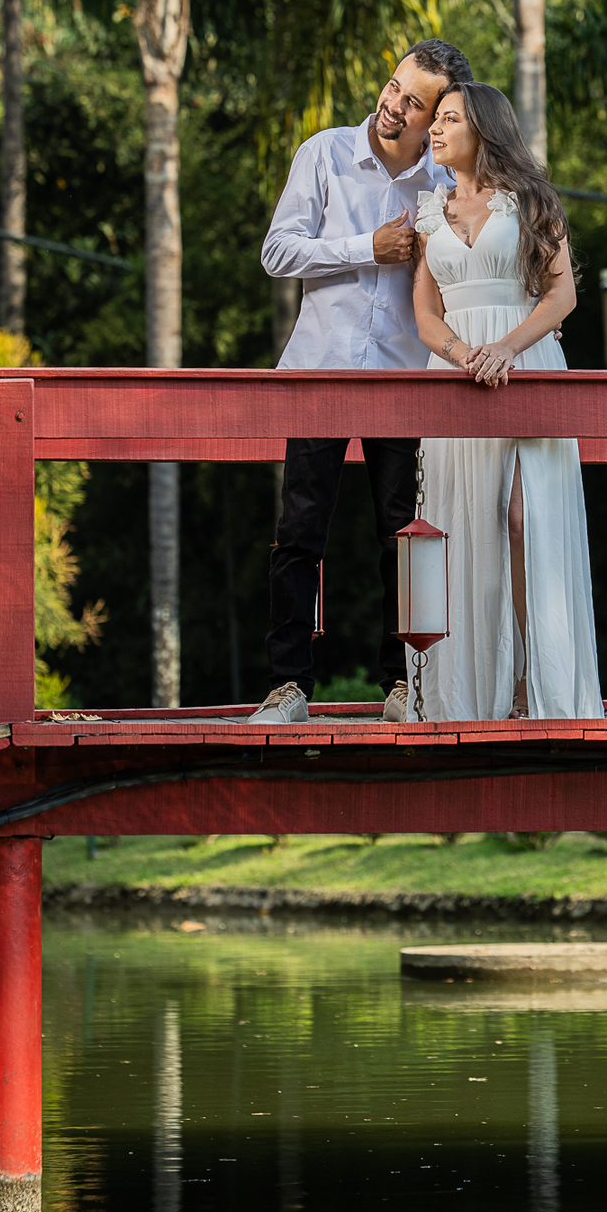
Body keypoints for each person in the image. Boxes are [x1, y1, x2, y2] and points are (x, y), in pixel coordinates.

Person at [258, 40, 467, 723]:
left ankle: (403, 685)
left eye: (414, 102)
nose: (393, 104)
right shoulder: (324, 153)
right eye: (393, 86)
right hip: (319, 371)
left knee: (402, 535)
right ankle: (288, 688)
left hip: (403, 380)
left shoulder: (445, 183)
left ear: (436, 117)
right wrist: (365, 249)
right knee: (299, 531)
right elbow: (277, 251)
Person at [410, 81, 603, 721]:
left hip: (526, 364)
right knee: (466, 525)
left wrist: (506, 349)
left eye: (449, 119)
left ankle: (532, 682)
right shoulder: (429, 212)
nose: (435, 130)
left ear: (484, 128)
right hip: (457, 375)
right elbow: (425, 315)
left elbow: (561, 295)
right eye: (435, 120)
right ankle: (473, 695)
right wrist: (464, 354)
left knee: (524, 518)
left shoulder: (532, 200)